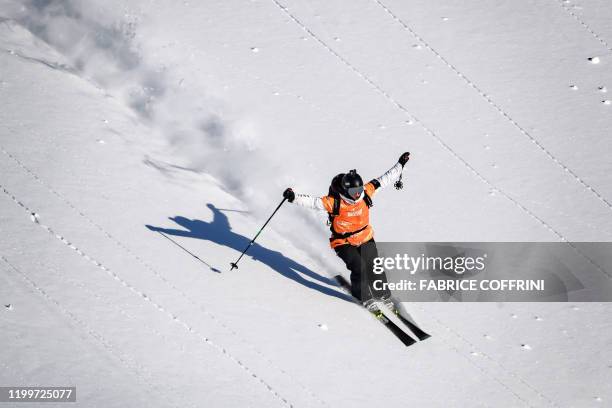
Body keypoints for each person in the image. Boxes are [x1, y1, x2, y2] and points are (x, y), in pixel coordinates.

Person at [283, 152, 410, 304]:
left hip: (365, 237)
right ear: (344, 190)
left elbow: (385, 179)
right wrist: (293, 197)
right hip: (343, 242)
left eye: (359, 190)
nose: (357, 195)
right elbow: (312, 202)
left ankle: (382, 293)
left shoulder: (366, 192)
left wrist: (400, 164)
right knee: (359, 268)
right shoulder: (334, 202)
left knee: (374, 265)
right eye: (353, 192)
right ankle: (362, 296)